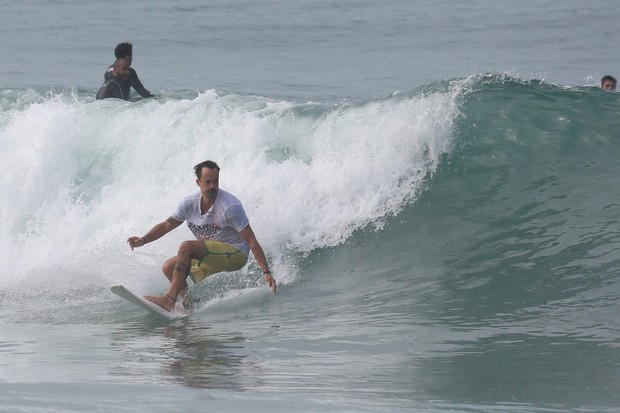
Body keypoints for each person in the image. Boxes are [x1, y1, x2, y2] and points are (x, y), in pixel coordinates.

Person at [127, 160, 277, 312]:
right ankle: (188, 304)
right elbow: (167, 225)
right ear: (198, 182)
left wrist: (266, 272)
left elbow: (251, 241)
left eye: (215, 181)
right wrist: (143, 240)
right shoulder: (189, 203)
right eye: (207, 182)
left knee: (187, 247)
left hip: (236, 253)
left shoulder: (230, 206)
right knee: (168, 268)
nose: (212, 186)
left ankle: (169, 300)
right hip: (212, 253)